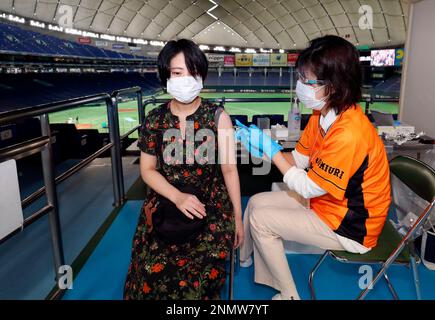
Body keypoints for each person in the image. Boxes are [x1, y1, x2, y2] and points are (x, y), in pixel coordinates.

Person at [236, 35, 391, 300]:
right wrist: (261, 149)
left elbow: (308, 188)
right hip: (329, 204)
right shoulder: (322, 115)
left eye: (307, 81)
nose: (300, 86)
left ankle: (289, 295)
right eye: (300, 78)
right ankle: (245, 259)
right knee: (256, 202)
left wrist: (272, 153)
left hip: (352, 227)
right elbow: (298, 159)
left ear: (334, 85)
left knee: (261, 221)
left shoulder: (349, 133)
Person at [124, 39, 244, 300]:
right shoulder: (155, 119)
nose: (186, 79)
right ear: (166, 75)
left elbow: (229, 171)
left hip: (210, 208)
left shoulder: (218, 117)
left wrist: (238, 218)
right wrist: (177, 197)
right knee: (148, 272)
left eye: (193, 72)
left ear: (202, 77)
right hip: (166, 202)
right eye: (178, 73)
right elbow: (147, 170)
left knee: (196, 282)